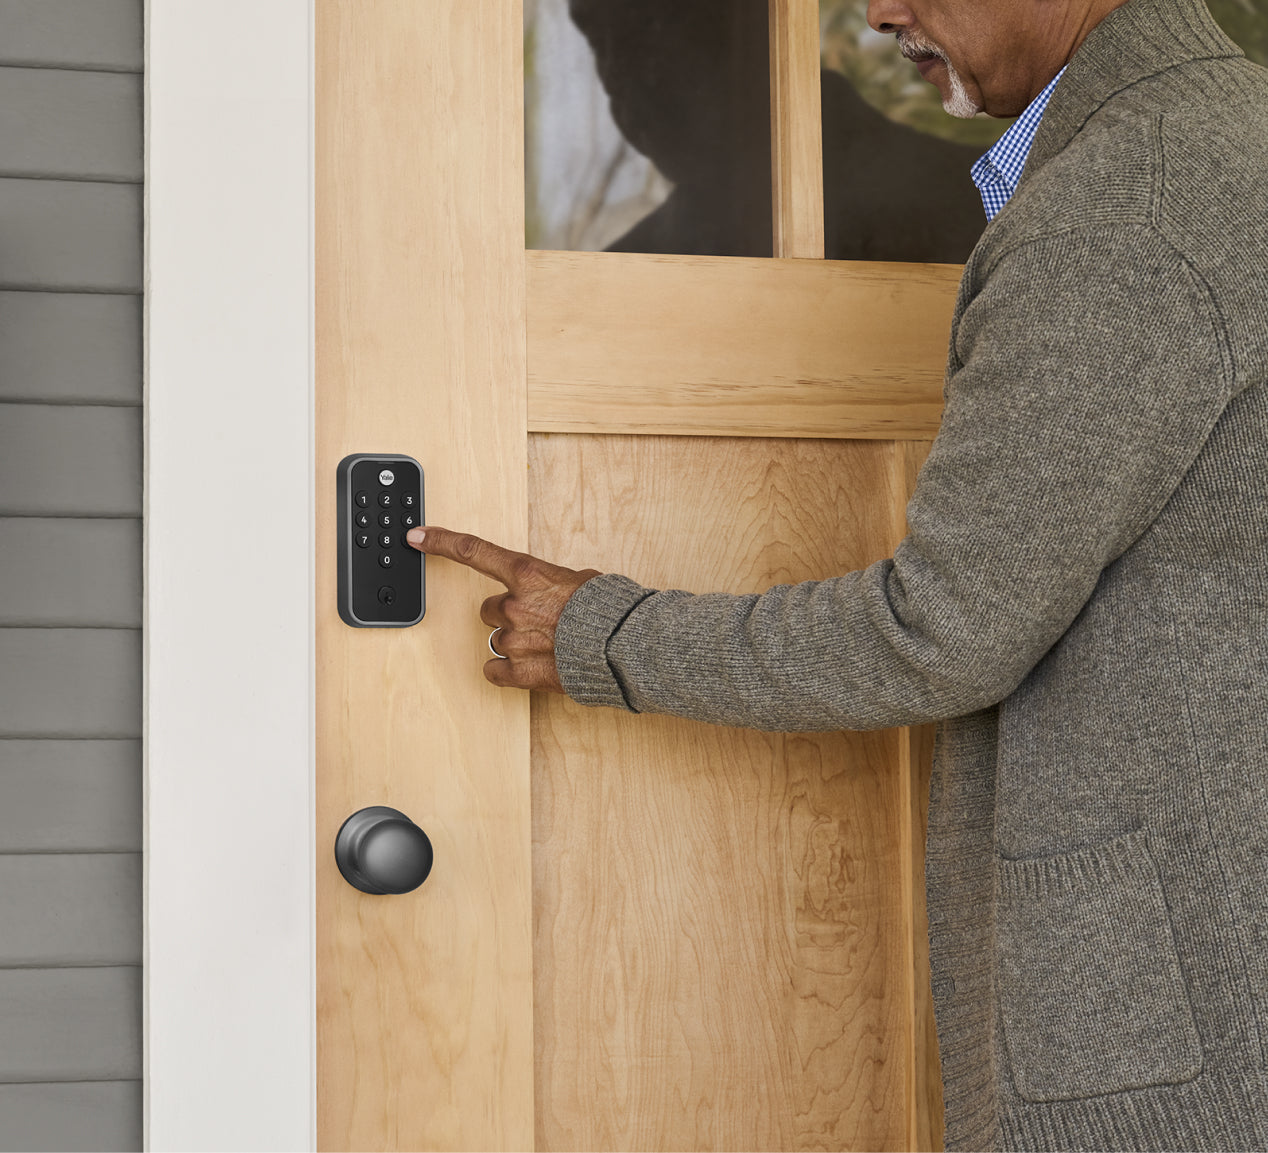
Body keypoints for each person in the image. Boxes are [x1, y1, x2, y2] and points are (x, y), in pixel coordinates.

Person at [408, 0, 1268, 1146]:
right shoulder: (1227, 141)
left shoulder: (1123, 208)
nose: (876, 12)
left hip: (1187, 1034)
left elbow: (941, 632)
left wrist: (599, 633)